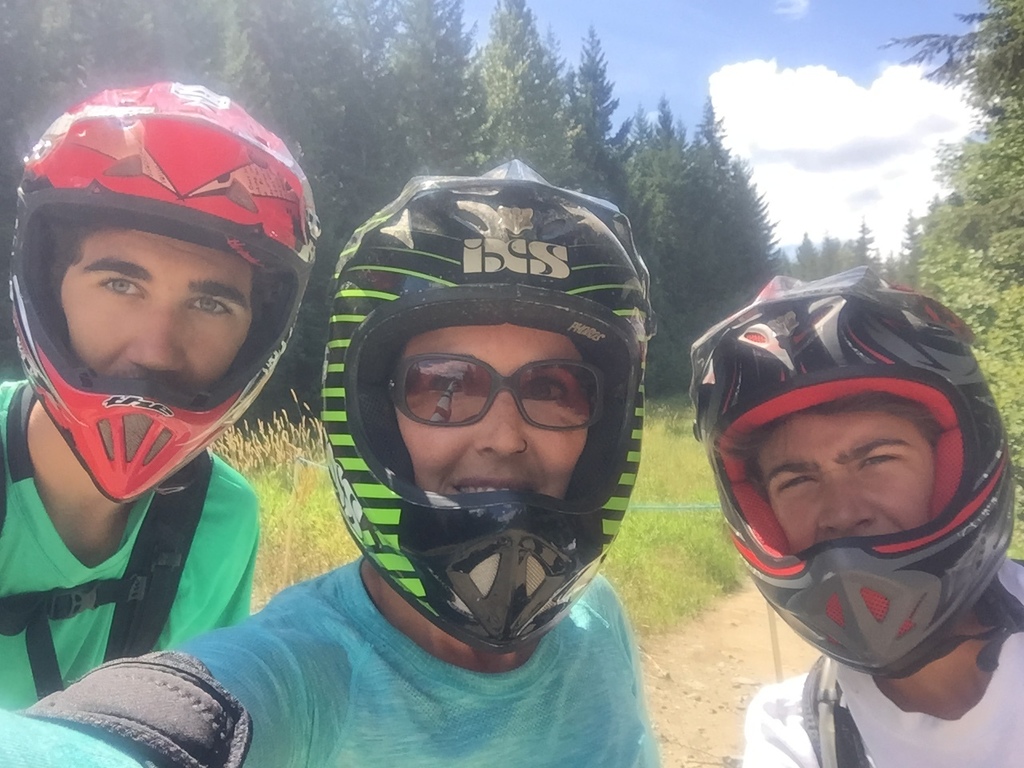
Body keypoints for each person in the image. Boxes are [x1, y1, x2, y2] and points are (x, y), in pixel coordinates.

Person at [0, 161, 659, 767]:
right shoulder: (302, 671)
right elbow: (174, 722)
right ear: (375, 415)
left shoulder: (596, 620)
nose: (504, 435)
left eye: (554, 389)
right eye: (445, 385)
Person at [0, 82, 318, 708]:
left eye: (210, 304)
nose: (156, 350)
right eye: (121, 284)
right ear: (48, 290)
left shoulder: (219, 519)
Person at [689, 267, 1024, 768]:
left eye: (876, 459)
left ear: (955, 464)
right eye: (796, 481)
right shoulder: (793, 733)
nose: (843, 512)